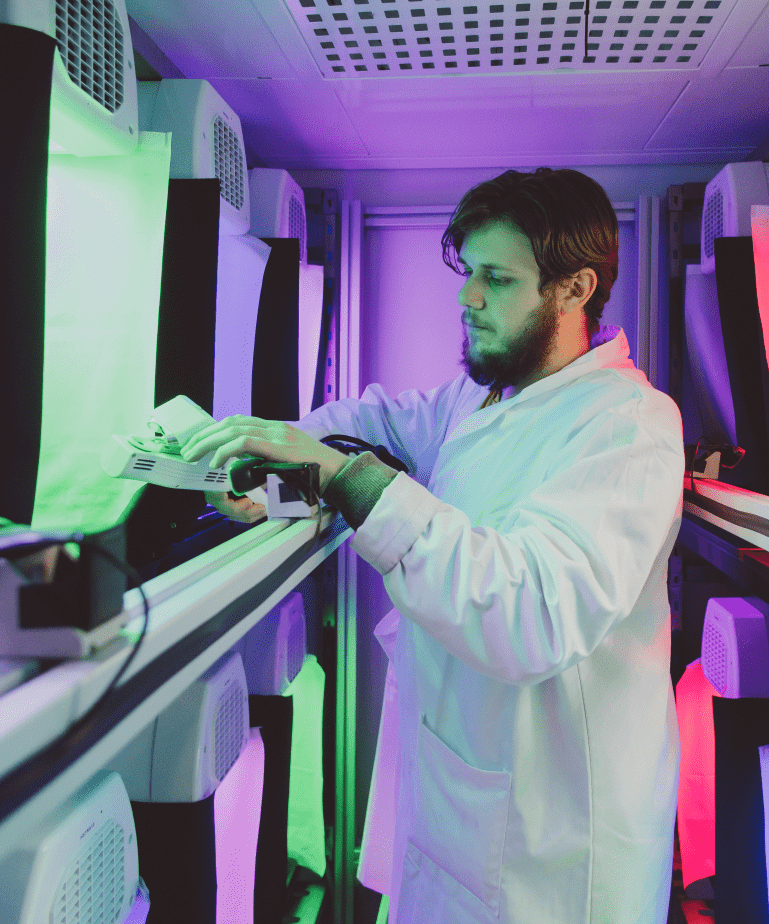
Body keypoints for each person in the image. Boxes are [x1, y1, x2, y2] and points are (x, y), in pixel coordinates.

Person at [182, 168, 685, 923]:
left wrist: (340, 476)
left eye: (496, 278)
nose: (467, 297)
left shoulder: (628, 425)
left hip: (553, 845)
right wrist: (273, 459)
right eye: (468, 272)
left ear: (575, 289)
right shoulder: (484, 395)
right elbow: (376, 424)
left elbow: (532, 612)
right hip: (463, 793)